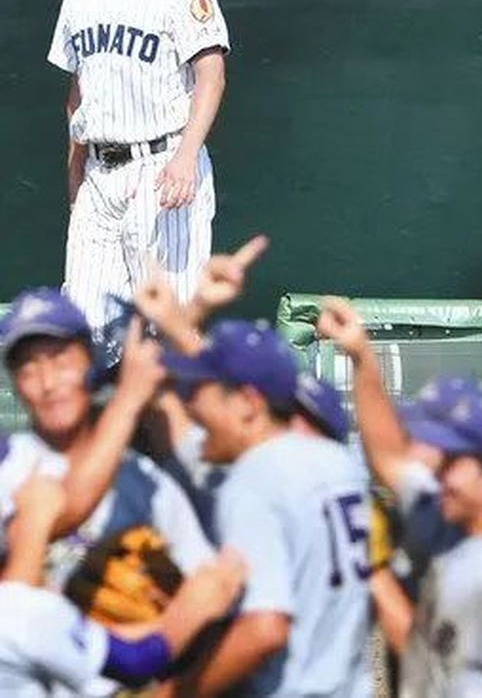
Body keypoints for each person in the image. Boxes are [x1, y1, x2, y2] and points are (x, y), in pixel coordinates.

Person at [317, 297, 482, 698]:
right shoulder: (445, 517)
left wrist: (376, 575)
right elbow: (388, 459)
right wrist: (362, 357)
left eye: (453, 463)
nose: (438, 474)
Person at [47, 0, 229, 357]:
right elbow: (77, 93)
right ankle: (108, 435)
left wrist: (187, 155)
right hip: (99, 179)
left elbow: (210, 73)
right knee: (83, 331)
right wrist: (75, 181)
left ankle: (174, 436)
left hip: (162, 167)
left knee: (168, 326)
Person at [158, 319, 372, 697]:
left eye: (200, 390)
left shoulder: (253, 481)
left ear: (248, 403)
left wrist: (175, 693)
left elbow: (265, 628)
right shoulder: (337, 462)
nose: (191, 402)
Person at [0, 287, 214, 595]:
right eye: (29, 369)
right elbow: (66, 509)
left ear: (90, 362)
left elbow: (206, 582)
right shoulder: (8, 462)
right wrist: (129, 397)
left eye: (60, 361)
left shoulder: (142, 478)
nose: (47, 383)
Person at [0, 469, 246, 697]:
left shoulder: (22, 614)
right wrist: (191, 611)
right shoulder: (20, 612)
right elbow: (135, 663)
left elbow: (66, 640)